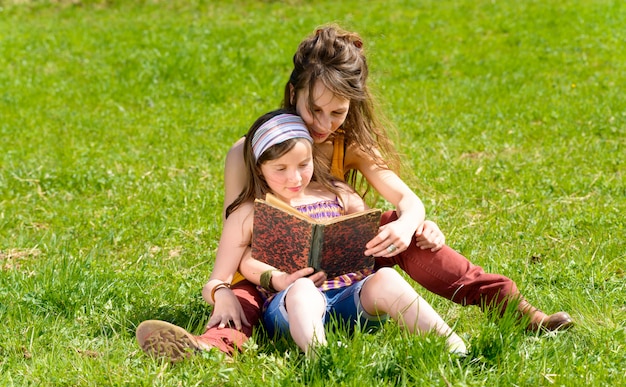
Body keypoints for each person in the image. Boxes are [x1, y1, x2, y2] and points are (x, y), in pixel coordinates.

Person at [136, 24, 571, 363]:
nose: (324, 123)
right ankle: (211, 347)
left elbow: (408, 200)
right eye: (314, 109)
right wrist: (230, 286)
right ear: (294, 94)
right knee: (245, 297)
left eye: (337, 112)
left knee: (398, 229)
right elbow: (241, 234)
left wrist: (410, 222)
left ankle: (520, 313)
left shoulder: (350, 144)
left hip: (343, 262)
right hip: (267, 269)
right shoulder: (250, 151)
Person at [138, 111, 467, 360]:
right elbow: (230, 270)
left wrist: (422, 227)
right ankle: (320, 360)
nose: (294, 178)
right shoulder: (250, 211)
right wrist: (242, 288)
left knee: (386, 279)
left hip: (351, 299)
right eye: (279, 169)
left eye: (303, 164)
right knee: (301, 290)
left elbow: (369, 232)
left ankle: (455, 350)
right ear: (259, 168)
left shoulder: (337, 192)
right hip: (291, 306)